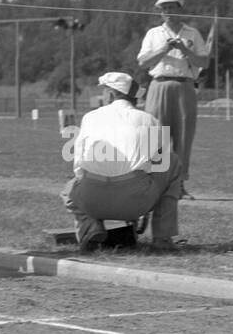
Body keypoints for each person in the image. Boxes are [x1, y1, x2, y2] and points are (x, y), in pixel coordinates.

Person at [60, 71, 182, 251]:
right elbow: (162, 163)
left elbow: (78, 165)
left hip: (91, 199)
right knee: (173, 163)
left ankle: (89, 227)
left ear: (110, 94)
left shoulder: (89, 118)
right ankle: (162, 237)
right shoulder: (150, 120)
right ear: (134, 98)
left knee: (67, 191)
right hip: (135, 203)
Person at [137, 0, 208, 195]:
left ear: (180, 9)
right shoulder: (153, 34)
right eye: (163, 9)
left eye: (171, 7)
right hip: (159, 85)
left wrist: (185, 50)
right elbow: (143, 62)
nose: (167, 12)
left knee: (184, 136)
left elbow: (204, 62)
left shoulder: (192, 33)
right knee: (156, 134)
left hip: (184, 85)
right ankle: (156, 182)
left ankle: (179, 184)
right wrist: (164, 48)